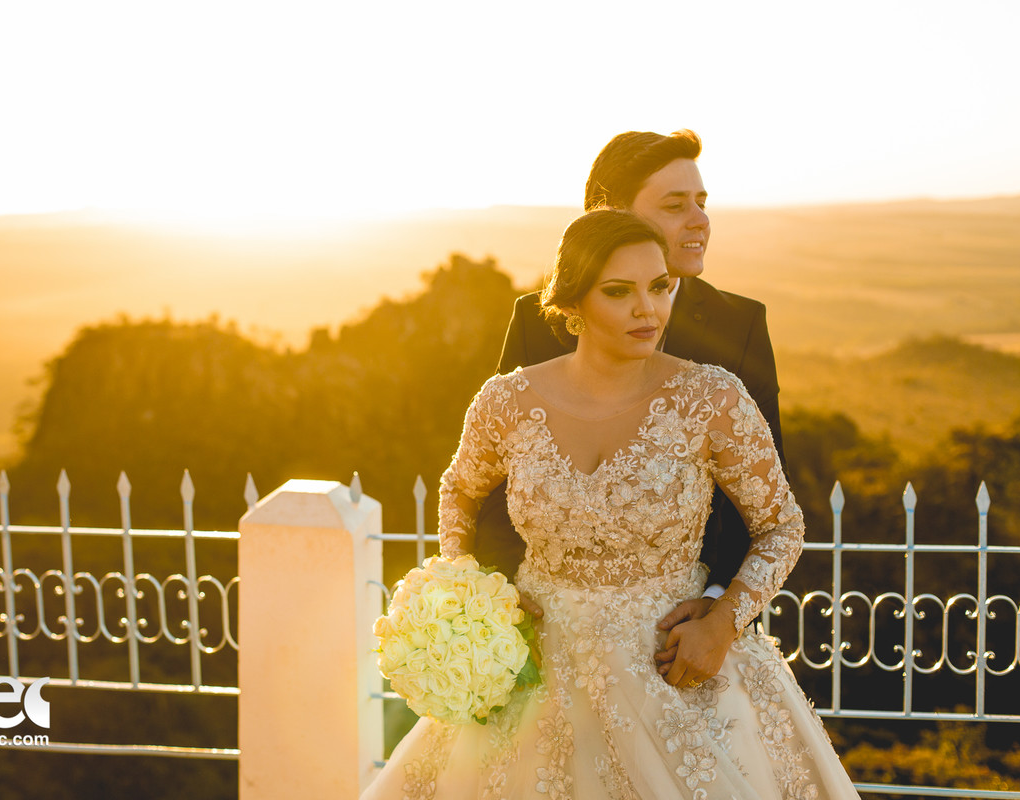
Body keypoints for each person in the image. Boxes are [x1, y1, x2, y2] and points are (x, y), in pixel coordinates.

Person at [362, 210, 859, 799]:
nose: (647, 309)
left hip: (672, 669)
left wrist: (724, 621)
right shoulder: (507, 402)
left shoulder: (713, 399)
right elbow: (459, 492)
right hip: (535, 671)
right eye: (618, 292)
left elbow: (781, 526)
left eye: (660, 286)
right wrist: (474, 594)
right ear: (572, 303)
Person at [474, 131, 783, 664]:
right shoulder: (537, 319)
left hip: (683, 640)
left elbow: (766, 499)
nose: (700, 221)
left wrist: (718, 611)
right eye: (674, 205)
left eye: (702, 203)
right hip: (544, 637)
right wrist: (501, 594)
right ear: (611, 214)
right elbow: (494, 475)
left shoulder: (741, 326)